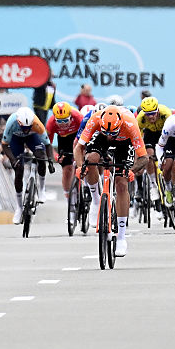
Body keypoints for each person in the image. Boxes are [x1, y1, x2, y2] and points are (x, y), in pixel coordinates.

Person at [74, 105, 149, 257]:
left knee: (121, 184)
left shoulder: (130, 124)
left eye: (112, 133)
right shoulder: (95, 119)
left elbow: (144, 157)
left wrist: (132, 170)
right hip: (100, 140)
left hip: (124, 143)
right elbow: (78, 148)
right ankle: (96, 201)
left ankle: (121, 237)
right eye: (106, 132)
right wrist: (81, 167)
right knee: (91, 160)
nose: (110, 137)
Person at [2, 107, 51, 225]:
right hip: (16, 140)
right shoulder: (11, 122)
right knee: (19, 169)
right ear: (19, 122)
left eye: (28, 127)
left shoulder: (37, 124)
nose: (26, 130)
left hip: (32, 138)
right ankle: (19, 208)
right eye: (24, 128)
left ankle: (41, 189)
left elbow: (48, 144)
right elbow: (4, 145)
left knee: (41, 157)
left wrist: (49, 160)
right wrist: (13, 160)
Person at [45, 101, 84, 213]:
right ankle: (68, 198)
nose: (63, 124)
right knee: (67, 170)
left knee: (82, 164)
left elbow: (87, 136)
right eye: (59, 121)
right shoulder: (51, 123)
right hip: (64, 140)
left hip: (78, 137)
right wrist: (56, 156)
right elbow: (48, 145)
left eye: (65, 120)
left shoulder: (78, 117)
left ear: (71, 117)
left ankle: (86, 189)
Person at [135, 95, 173, 201]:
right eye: (148, 114)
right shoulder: (140, 119)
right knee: (148, 155)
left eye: (153, 113)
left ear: (158, 111)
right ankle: (153, 185)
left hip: (164, 134)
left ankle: (171, 185)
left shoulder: (166, 114)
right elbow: (137, 138)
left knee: (170, 157)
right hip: (150, 134)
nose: (151, 117)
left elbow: (172, 133)